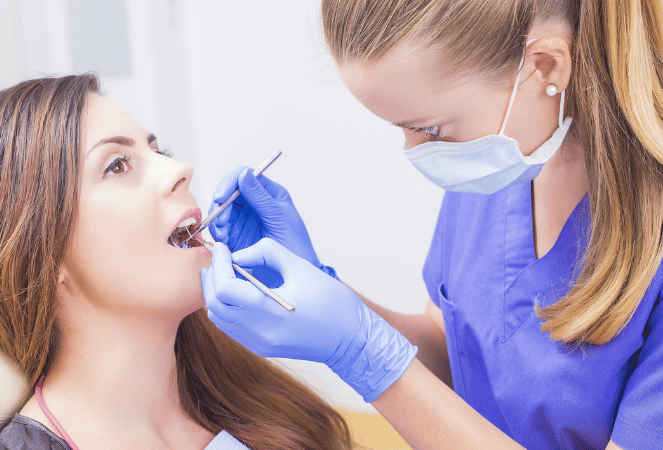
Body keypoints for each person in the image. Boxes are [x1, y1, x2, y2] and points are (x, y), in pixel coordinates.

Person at [201, 1, 663, 449]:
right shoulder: (502, 168)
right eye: (399, 128)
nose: (415, 151)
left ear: (545, 65)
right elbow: (455, 353)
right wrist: (322, 290)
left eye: (432, 130)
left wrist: (363, 356)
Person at [0, 74, 353, 450]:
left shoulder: (252, 399)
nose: (180, 169)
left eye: (158, 150)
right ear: (38, 252)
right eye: (118, 165)